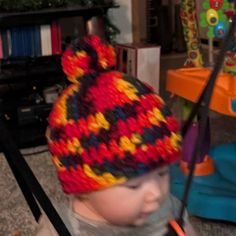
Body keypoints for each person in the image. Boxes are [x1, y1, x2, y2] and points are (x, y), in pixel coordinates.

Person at [36, 35, 197, 236]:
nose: (156, 193)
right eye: (134, 185)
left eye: (162, 173)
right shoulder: (59, 230)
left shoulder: (167, 209)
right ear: (84, 188)